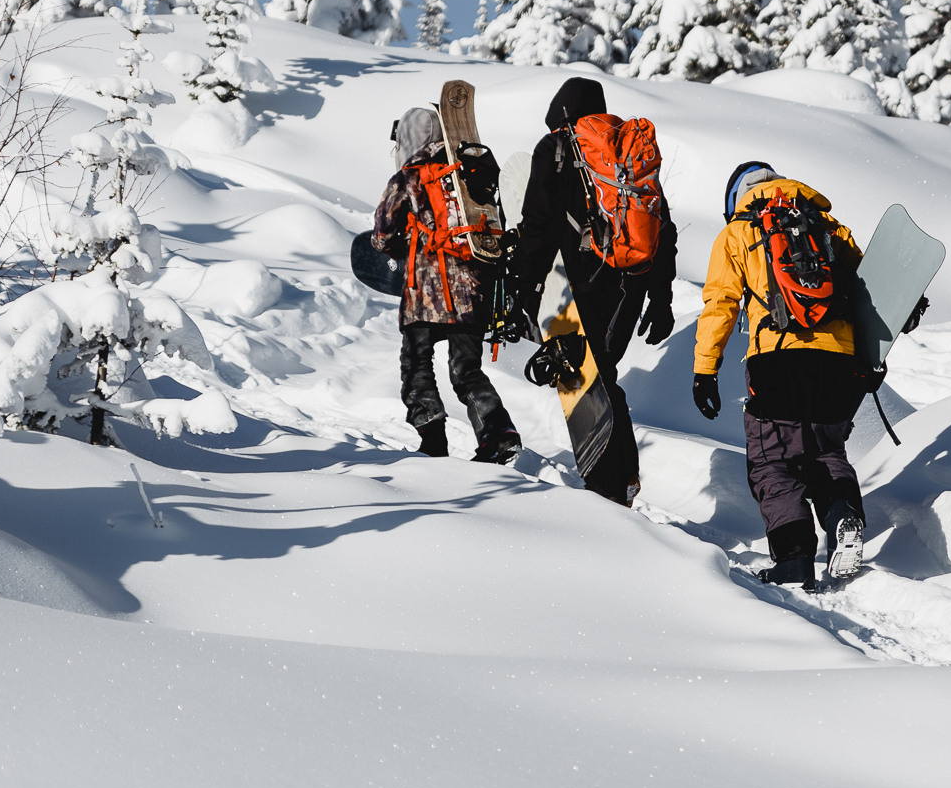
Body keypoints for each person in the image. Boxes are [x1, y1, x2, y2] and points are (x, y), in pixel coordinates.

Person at [690, 161, 868, 587]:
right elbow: (868, 289)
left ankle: (794, 559)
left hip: (778, 358)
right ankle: (843, 515)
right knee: (827, 452)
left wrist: (705, 370)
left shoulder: (738, 232)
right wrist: (864, 361)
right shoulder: (826, 224)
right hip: (839, 360)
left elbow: (721, 305)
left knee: (773, 462)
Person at [505, 78, 677, 503]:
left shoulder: (559, 147)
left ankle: (609, 486)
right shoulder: (629, 150)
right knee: (604, 376)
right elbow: (662, 229)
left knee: (589, 379)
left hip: (582, 280)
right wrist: (661, 298)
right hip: (631, 283)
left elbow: (539, 226)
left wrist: (523, 289)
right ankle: (624, 476)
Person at [372, 107, 521, 464]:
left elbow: (382, 236)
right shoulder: (473, 173)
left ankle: (433, 439)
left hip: (425, 294)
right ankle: (498, 433)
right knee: (466, 370)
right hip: (472, 292)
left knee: (417, 364)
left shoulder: (408, 178)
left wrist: (398, 245)